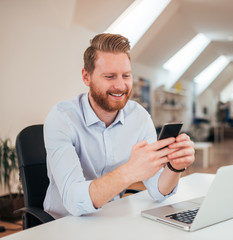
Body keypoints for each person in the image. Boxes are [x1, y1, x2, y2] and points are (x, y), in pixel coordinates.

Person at [43, 33, 195, 219]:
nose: (121, 85)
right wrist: (130, 172)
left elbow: (158, 191)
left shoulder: (139, 117)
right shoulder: (62, 118)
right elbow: (74, 201)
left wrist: (174, 168)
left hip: (111, 218)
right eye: (110, 76)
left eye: (126, 75)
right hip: (62, 224)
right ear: (86, 77)